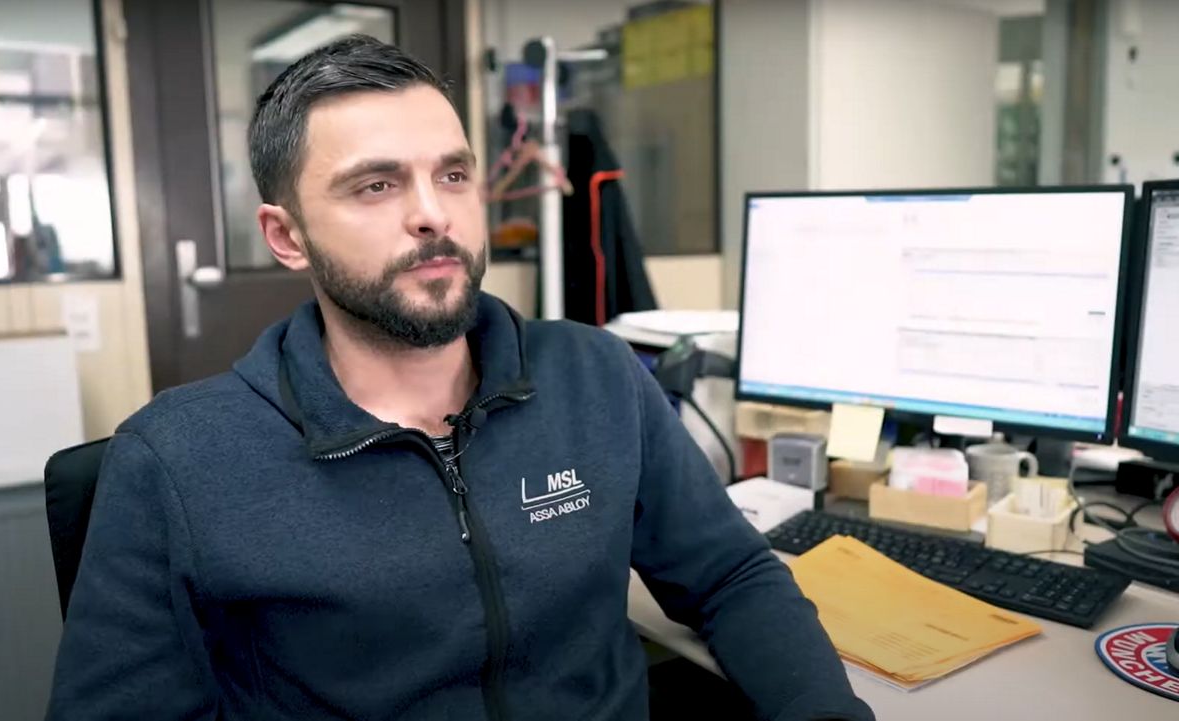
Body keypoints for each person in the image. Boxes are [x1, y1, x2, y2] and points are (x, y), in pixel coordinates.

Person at [47, 35, 873, 721]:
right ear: (287, 236)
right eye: (376, 185)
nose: (433, 213)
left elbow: (730, 576)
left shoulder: (597, 376)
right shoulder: (177, 461)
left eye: (452, 174)